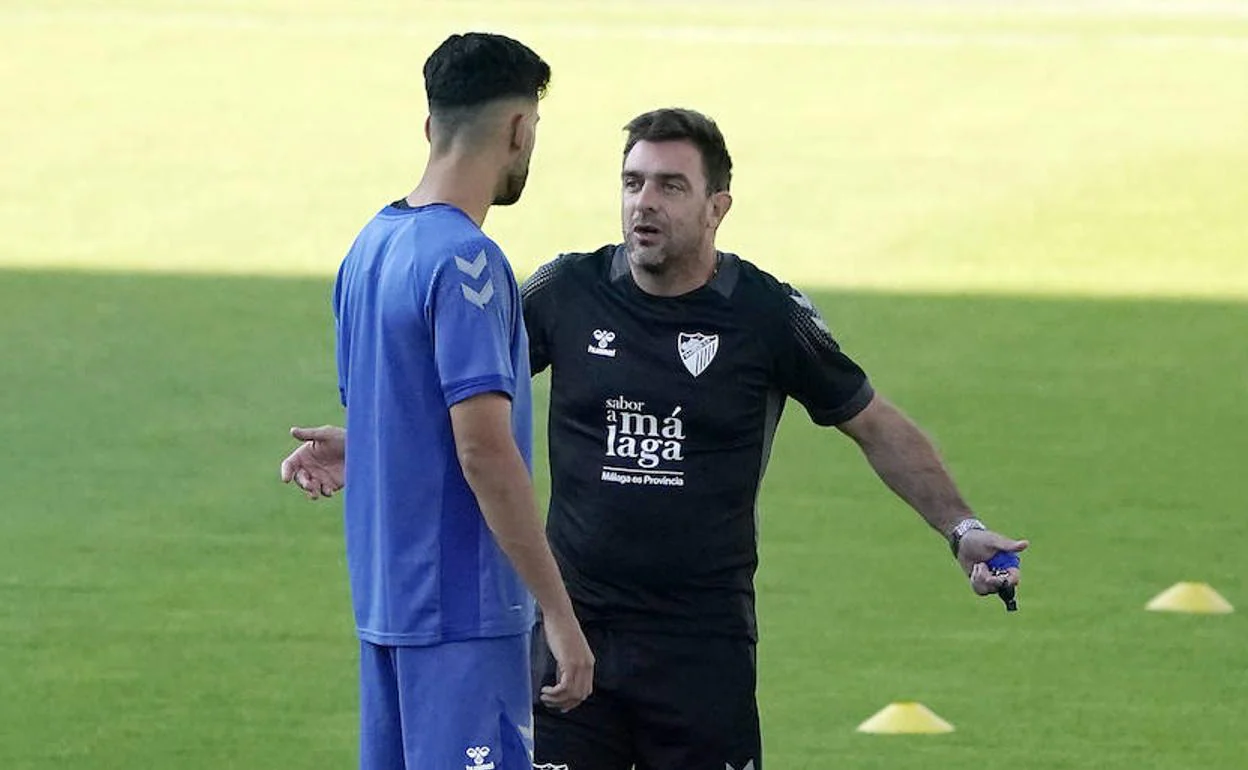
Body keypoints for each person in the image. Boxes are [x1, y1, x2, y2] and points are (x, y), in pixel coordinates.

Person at [284, 108, 1027, 770]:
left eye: (670, 186)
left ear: (717, 207)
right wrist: (371, 443)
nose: (644, 202)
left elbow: (872, 422)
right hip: (573, 637)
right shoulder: (565, 292)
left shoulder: (766, 315)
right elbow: (465, 407)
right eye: (633, 182)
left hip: (703, 644)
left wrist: (958, 527)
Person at [279, 32, 593, 770]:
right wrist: (558, 609)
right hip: (465, 616)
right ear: (518, 129)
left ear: (432, 126)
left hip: (387, 608)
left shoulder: (370, 246)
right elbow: (483, 450)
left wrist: (370, 445)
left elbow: (404, 409)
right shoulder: (470, 262)